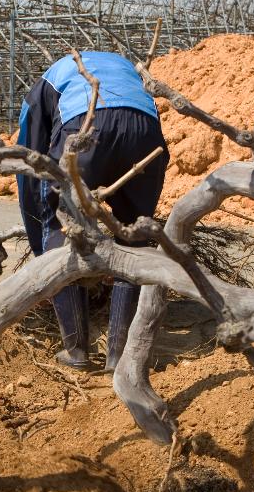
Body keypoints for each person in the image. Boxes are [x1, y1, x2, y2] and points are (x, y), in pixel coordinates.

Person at [16, 51, 168, 371]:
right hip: (147, 138)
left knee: (62, 227)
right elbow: (143, 112)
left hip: (85, 130)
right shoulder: (128, 70)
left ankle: (76, 350)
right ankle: (120, 355)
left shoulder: (47, 82)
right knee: (134, 236)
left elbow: (30, 164)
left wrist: (41, 247)